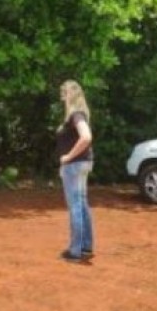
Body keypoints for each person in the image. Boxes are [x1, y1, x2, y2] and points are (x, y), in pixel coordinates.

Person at [55, 80, 94, 263]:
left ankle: (75, 251)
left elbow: (86, 137)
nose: (62, 93)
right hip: (82, 164)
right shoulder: (79, 114)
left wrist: (68, 157)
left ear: (73, 94)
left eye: (66, 91)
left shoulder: (76, 114)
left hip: (75, 165)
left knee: (76, 206)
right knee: (82, 204)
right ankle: (85, 246)